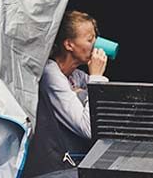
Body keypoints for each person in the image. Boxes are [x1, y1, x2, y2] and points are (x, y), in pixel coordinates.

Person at [40, 10, 108, 146]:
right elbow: (89, 129)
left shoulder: (76, 75)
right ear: (69, 45)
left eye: (96, 38)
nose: (96, 45)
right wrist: (96, 77)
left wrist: (82, 92)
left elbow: (107, 106)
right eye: (90, 40)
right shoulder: (50, 74)